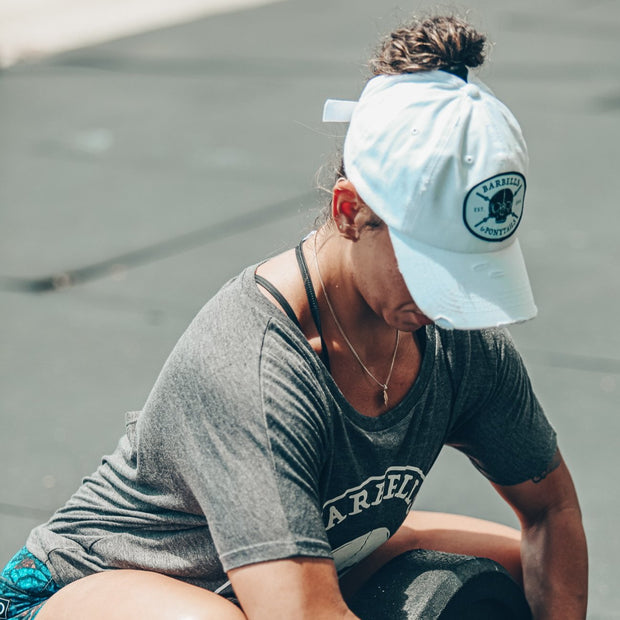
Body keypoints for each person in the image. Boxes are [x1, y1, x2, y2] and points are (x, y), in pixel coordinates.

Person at [0, 14, 587, 620]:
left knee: (520, 572)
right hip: (81, 590)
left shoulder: (457, 347)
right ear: (349, 212)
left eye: (467, 272)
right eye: (431, 267)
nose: (447, 300)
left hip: (294, 568)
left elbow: (552, 513)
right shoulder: (253, 364)